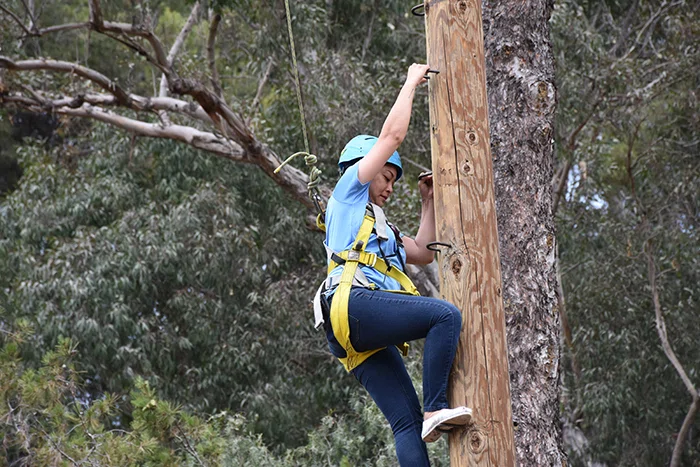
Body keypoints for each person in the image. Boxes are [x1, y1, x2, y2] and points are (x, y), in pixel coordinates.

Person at [318, 63, 472, 466]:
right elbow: (392, 135)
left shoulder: (379, 227)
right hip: (352, 303)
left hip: (347, 329)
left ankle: (426, 416)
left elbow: (422, 250)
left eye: (392, 181)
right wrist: (411, 82)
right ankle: (436, 406)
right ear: (362, 169)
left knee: (405, 424)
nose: (388, 187)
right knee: (445, 317)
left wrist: (429, 201)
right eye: (385, 176)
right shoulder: (348, 193)